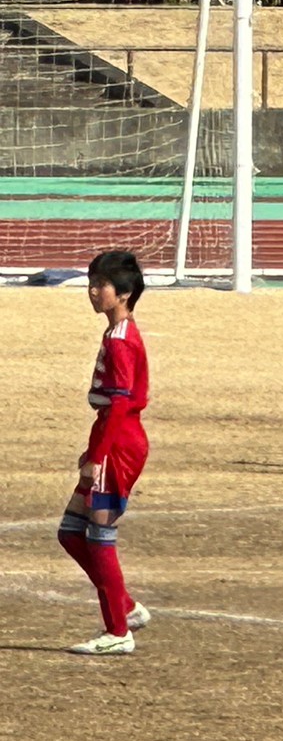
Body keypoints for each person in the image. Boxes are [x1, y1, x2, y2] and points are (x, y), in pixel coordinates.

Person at [58, 250, 153, 655]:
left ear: (125, 293)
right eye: (91, 283)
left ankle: (117, 632)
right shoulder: (117, 333)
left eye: (102, 285)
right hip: (112, 437)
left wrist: (97, 455)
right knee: (70, 532)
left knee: (99, 536)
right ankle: (125, 607)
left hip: (119, 444)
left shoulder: (120, 342)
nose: (94, 292)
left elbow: (119, 405)